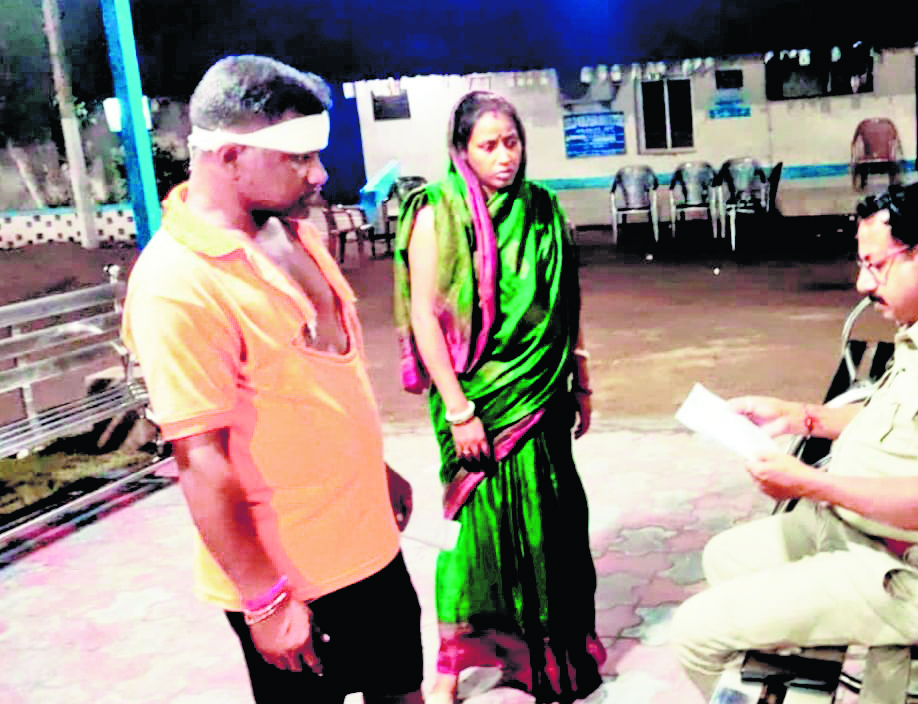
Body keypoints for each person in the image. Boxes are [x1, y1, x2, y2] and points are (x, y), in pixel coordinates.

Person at [668, 180, 918, 698]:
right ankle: (784, 648)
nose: (862, 283)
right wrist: (799, 417)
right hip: (868, 533)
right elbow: (900, 424)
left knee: (695, 631)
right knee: (726, 557)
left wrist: (807, 483)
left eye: (876, 266)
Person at [121, 55, 424, 704]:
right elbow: (200, 460)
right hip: (294, 578)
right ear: (231, 157)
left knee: (402, 692)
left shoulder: (293, 232)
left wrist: (373, 468)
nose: (320, 174)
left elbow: (318, 382)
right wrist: (264, 599)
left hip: (370, 546)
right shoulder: (177, 283)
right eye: (299, 158)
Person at [393, 91, 603, 703]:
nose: (504, 156)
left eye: (511, 143)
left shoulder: (543, 208)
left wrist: (582, 378)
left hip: (543, 392)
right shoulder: (437, 211)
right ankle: (454, 663)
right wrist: (460, 410)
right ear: (462, 150)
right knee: (476, 536)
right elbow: (426, 317)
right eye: (488, 146)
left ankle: (547, 654)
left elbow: (566, 303)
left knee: (553, 526)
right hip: (475, 401)